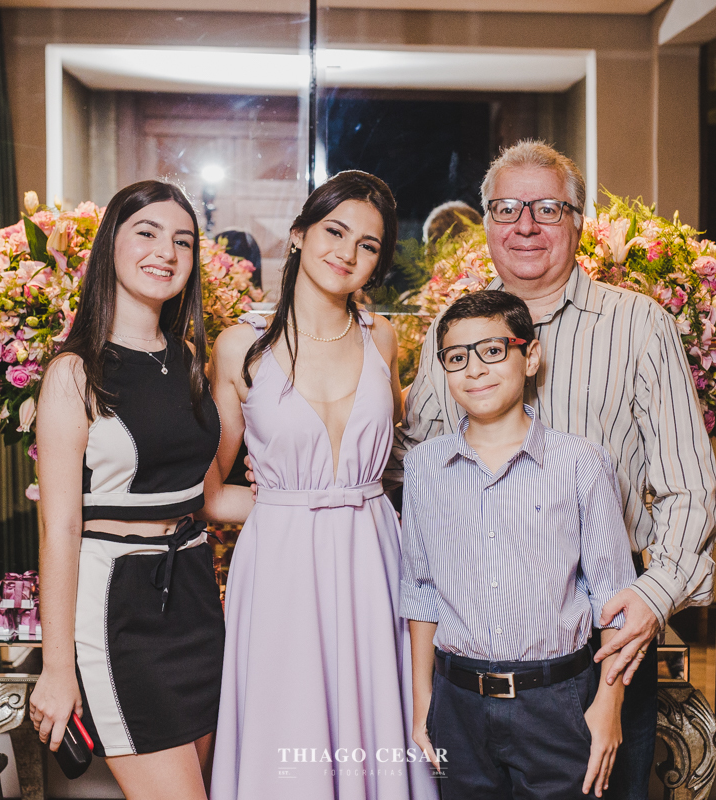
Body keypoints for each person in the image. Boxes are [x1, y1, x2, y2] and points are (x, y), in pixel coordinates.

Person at [393, 140, 716, 799]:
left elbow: (689, 484)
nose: (525, 226)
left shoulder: (638, 325)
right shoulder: (450, 335)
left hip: (603, 633)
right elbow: (418, 457)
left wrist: (651, 599)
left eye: (546, 209)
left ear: (577, 221)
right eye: (507, 209)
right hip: (476, 648)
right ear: (486, 221)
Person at [208, 170, 435, 800]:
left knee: (375, 712)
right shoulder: (241, 346)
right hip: (280, 565)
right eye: (335, 231)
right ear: (299, 234)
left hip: (374, 556)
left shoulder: (383, 337)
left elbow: (401, 457)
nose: (347, 252)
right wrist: (282, 502)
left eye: (368, 244)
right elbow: (208, 492)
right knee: (289, 725)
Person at [29, 180, 252, 798]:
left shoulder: (187, 358)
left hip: (195, 596)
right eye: (147, 233)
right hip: (118, 608)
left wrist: (339, 504)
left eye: (183, 240)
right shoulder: (74, 373)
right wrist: (56, 668)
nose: (166, 252)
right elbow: (59, 529)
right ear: (111, 245)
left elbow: (206, 494)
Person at [401, 289, 637, 799]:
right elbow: (420, 593)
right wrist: (423, 703)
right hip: (457, 701)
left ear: (530, 357)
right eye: (456, 357)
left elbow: (614, 599)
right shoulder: (423, 467)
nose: (474, 369)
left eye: (492, 350)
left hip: (557, 701)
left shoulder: (581, 462)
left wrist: (608, 707)